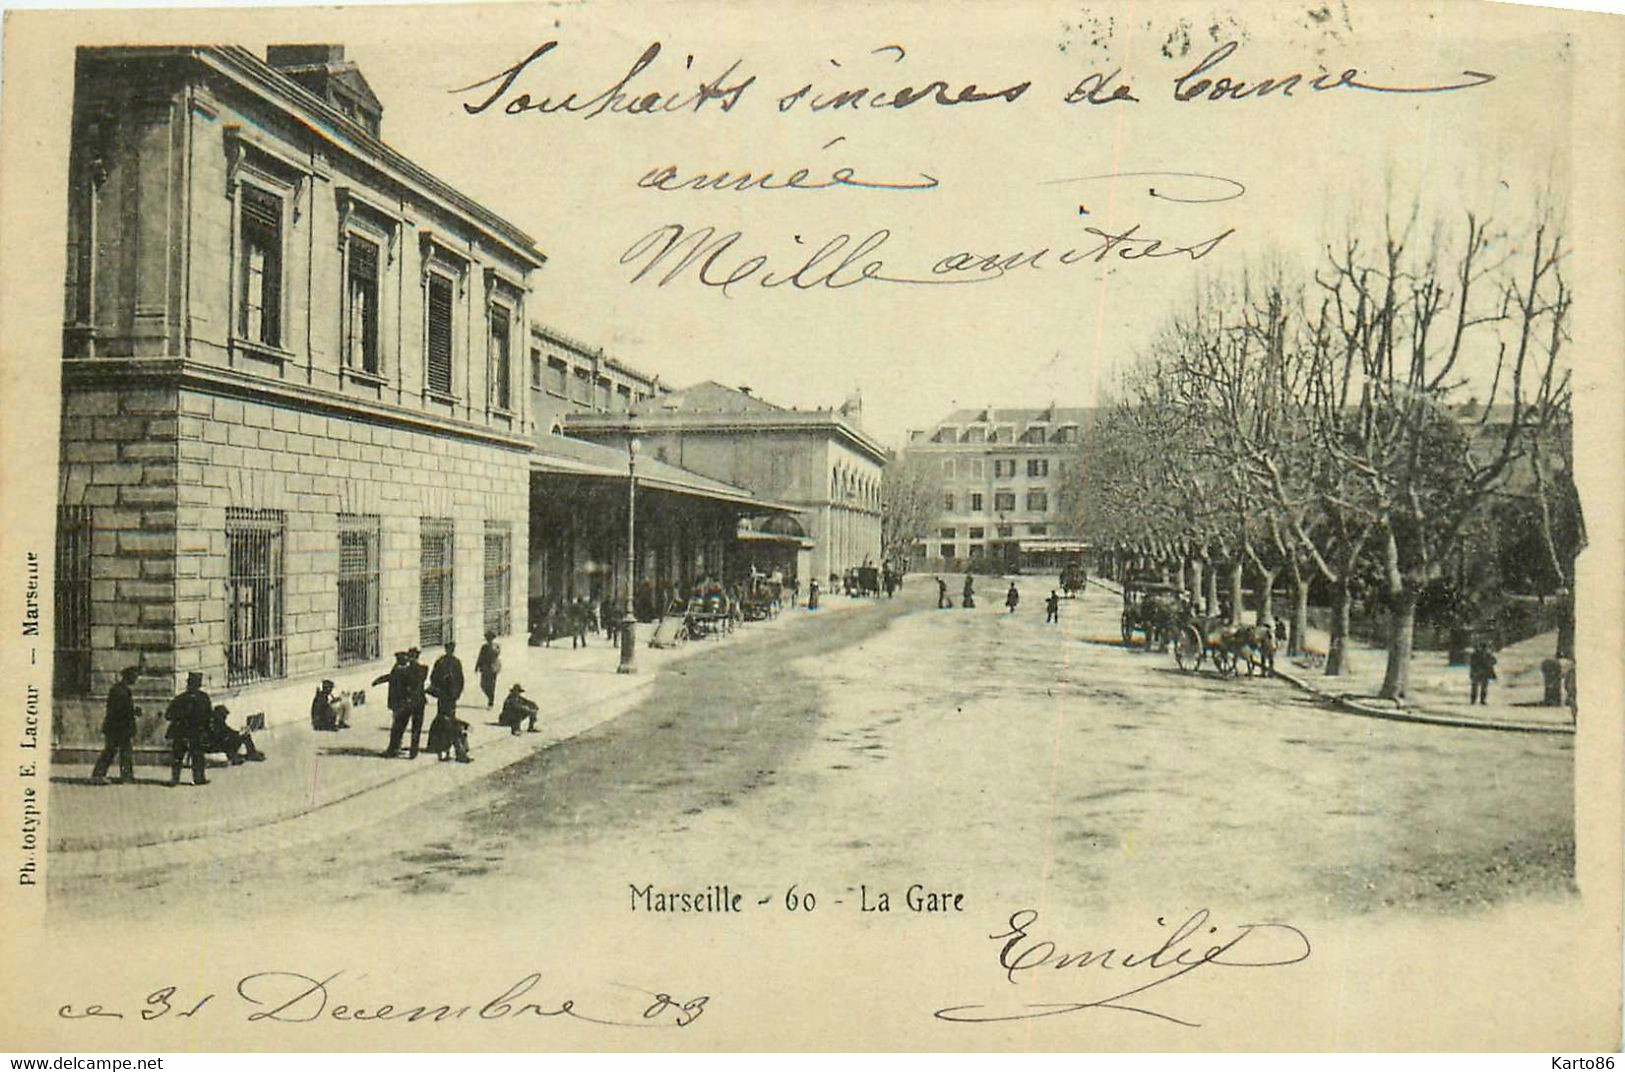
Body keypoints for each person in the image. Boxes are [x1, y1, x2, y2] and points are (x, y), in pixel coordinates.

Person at [92, 665, 142, 784]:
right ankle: (99, 775)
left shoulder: (121, 689)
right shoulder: (119, 690)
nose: (136, 679)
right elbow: (119, 710)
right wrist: (133, 711)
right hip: (117, 728)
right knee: (112, 751)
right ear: (128, 677)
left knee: (123, 752)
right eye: (134, 676)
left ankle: (126, 776)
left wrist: (133, 711)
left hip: (118, 727)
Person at [164, 671, 212, 787]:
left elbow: (168, 715)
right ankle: (198, 778)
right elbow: (209, 716)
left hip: (182, 732)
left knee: (179, 756)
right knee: (197, 756)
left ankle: (175, 779)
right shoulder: (204, 698)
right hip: (195, 732)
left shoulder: (180, 698)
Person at [428, 642, 465, 748]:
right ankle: (442, 742)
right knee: (445, 717)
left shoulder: (454, 662)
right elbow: (433, 677)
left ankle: (446, 742)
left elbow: (460, 679)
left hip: (450, 695)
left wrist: (457, 693)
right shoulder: (442, 662)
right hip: (445, 694)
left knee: (447, 717)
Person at [475, 631, 502, 708]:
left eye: (490, 639)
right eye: (488, 639)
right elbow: (480, 657)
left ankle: (491, 701)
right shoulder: (484, 647)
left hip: (493, 668)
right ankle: (490, 696)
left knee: (492, 685)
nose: (489, 640)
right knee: (483, 684)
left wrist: (492, 648)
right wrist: (477, 666)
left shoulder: (496, 646)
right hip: (485, 668)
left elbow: (497, 654)